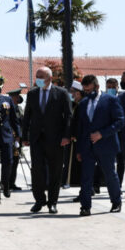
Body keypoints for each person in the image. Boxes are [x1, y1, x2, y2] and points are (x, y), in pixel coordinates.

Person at [22, 66, 72, 214]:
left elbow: (68, 116)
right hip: (37, 139)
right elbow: (27, 117)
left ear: (49, 78)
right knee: (37, 171)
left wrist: (66, 136)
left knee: (55, 171)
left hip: (56, 139)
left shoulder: (62, 93)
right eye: (37, 76)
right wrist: (25, 136)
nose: (37, 79)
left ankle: (52, 202)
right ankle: (39, 200)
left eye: (40, 76)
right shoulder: (32, 94)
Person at [73, 75, 125, 216]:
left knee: (110, 175)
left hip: (106, 145)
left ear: (96, 87)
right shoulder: (83, 104)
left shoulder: (111, 100)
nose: (87, 93)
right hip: (87, 147)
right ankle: (85, 206)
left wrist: (102, 134)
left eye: (89, 90)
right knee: (86, 177)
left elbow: (120, 122)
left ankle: (116, 202)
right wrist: (79, 149)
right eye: (85, 91)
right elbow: (81, 128)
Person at [7, 89, 25, 191]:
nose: (17, 98)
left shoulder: (19, 109)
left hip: (18, 139)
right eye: (15, 96)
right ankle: (6, 182)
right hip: (10, 138)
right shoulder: (7, 108)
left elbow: (22, 122)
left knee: (16, 161)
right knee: (9, 161)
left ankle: (12, 182)